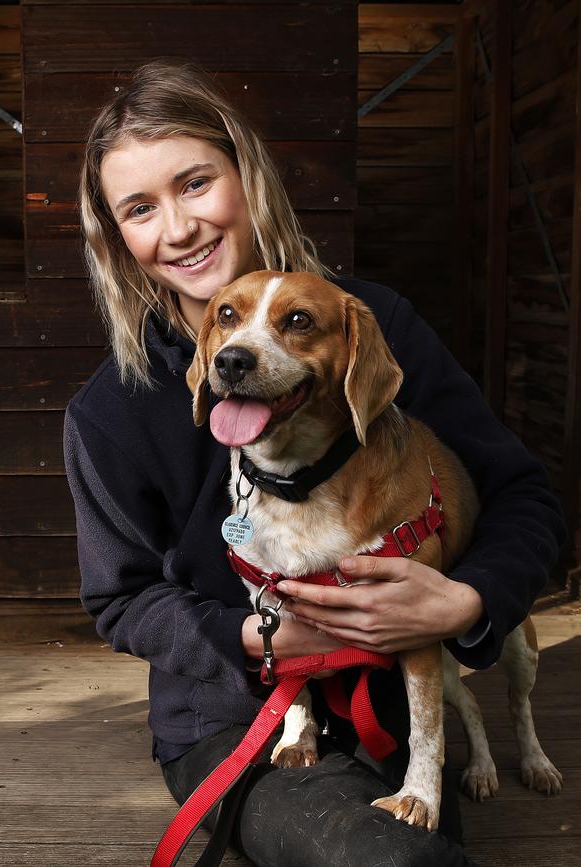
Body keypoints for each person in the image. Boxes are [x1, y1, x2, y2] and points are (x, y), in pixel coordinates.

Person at [64, 60, 565, 867]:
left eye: (196, 183)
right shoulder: (108, 411)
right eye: (140, 208)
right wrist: (254, 637)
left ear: (246, 176)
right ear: (116, 236)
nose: (180, 227)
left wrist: (466, 602)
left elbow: (522, 497)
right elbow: (120, 600)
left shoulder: (374, 322)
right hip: (235, 714)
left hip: (397, 697)